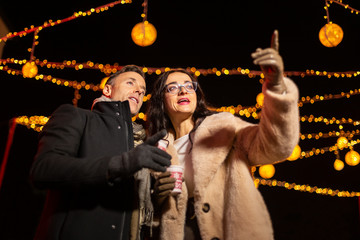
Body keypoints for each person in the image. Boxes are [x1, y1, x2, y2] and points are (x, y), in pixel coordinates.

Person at [146, 30, 300, 240]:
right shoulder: (155, 149)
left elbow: (276, 146)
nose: (183, 91)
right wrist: (156, 199)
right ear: (161, 101)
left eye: (188, 86)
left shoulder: (223, 128)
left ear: (196, 94)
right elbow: (144, 217)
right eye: (172, 88)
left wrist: (276, 86)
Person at [30, 65, 171, 240]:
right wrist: (122, 164)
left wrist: (157, 192)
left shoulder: (141, 141)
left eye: (143, 90)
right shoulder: (76, 116)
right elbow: (44, 169)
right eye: (130, 83)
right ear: (107, 89)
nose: (138, 91)